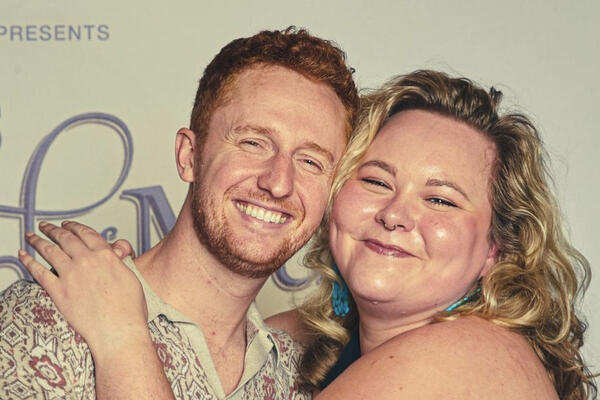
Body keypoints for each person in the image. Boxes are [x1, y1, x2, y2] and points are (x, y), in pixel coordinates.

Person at [17, 70, 597, 399]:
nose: (395, 215)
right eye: (376, 180)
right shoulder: (299, 345)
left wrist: (121, 333)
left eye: (441, 199)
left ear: (496, 249)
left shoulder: (471, 355)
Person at [0, 27, 359, 399]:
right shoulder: (45, 319)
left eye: (311, 161)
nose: (279, 183)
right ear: (189, 156)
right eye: (253, 142)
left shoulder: (298, 381)